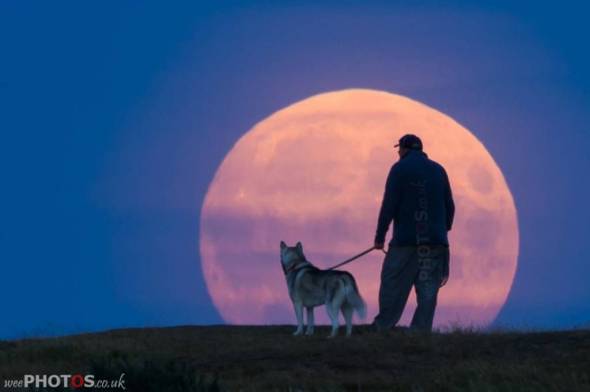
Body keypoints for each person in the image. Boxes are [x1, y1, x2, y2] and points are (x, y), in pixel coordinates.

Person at [372, 134, 455, 331]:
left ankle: (383, 326)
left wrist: (379, 237)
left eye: (399, 149)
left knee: (392, 283)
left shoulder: (399, 169)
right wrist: (443, 230)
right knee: (428, 289)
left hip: (405, 242)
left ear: (405, 149)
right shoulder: (438, 170)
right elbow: (450, 206)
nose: (398, 152)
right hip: (435, 242)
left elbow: (389, 205)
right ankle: (420, 331)